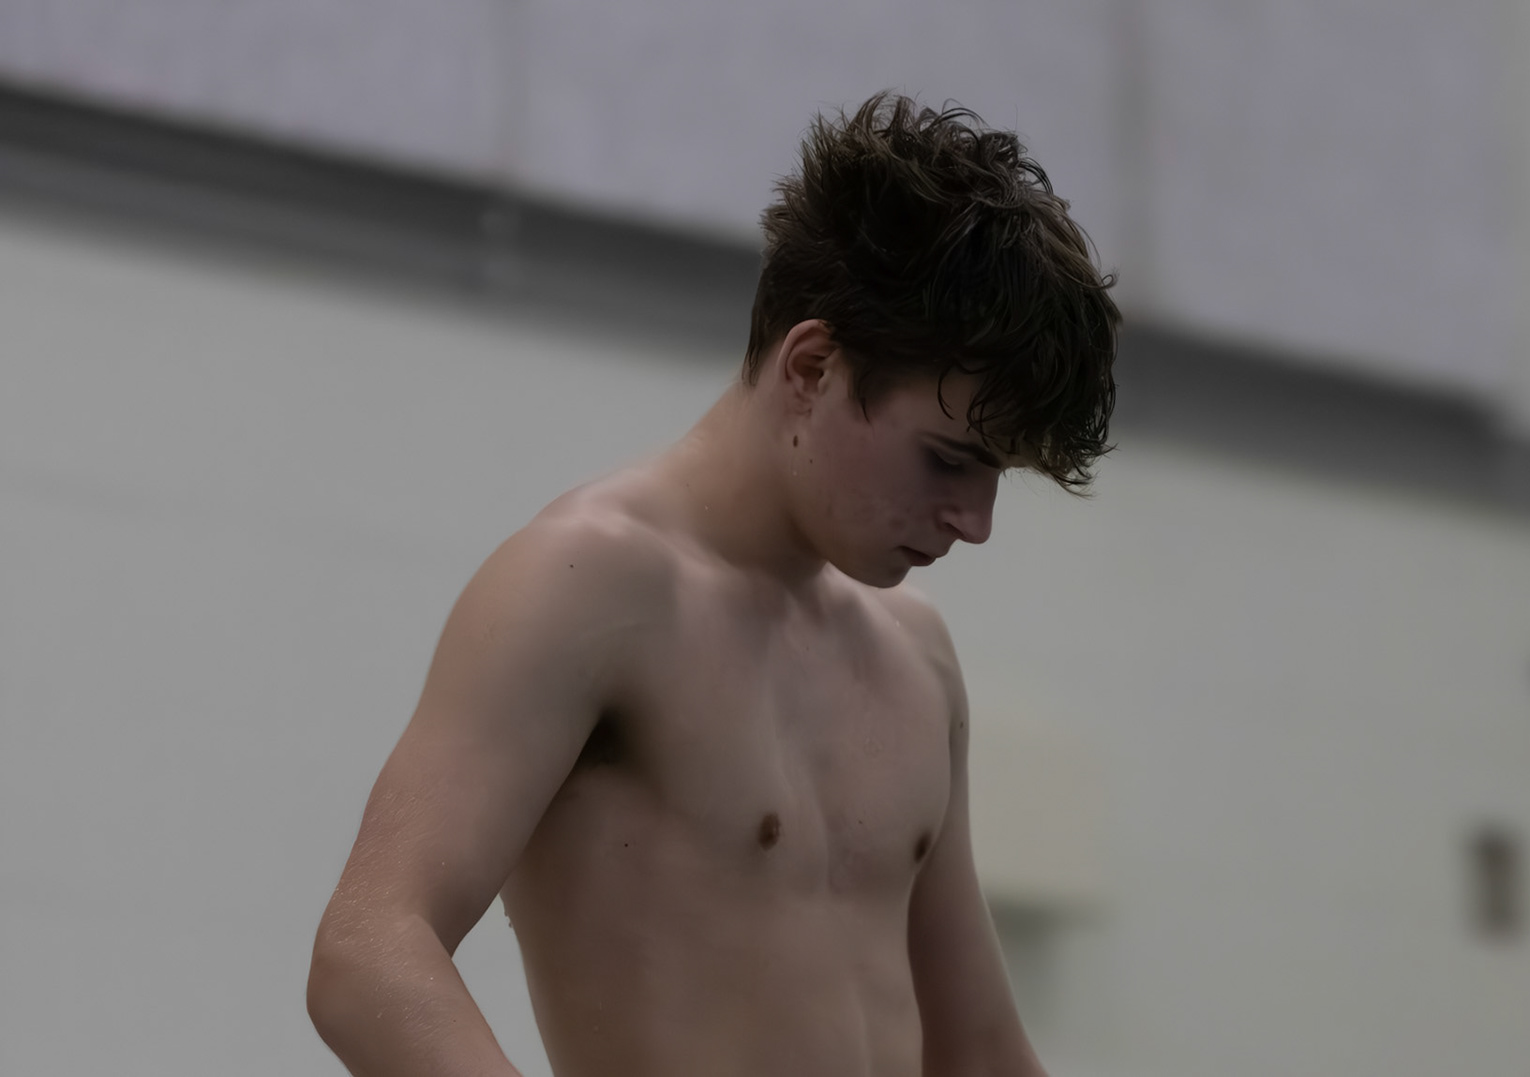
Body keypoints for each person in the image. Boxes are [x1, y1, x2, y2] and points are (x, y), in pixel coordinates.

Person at [305, 91, 1119, 1077]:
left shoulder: (918, 657)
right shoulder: (587, 587)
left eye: (998, 477)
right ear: (812, 368)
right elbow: (369, 947)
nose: (975, 522)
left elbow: (980, 1053)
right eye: (948, 460)